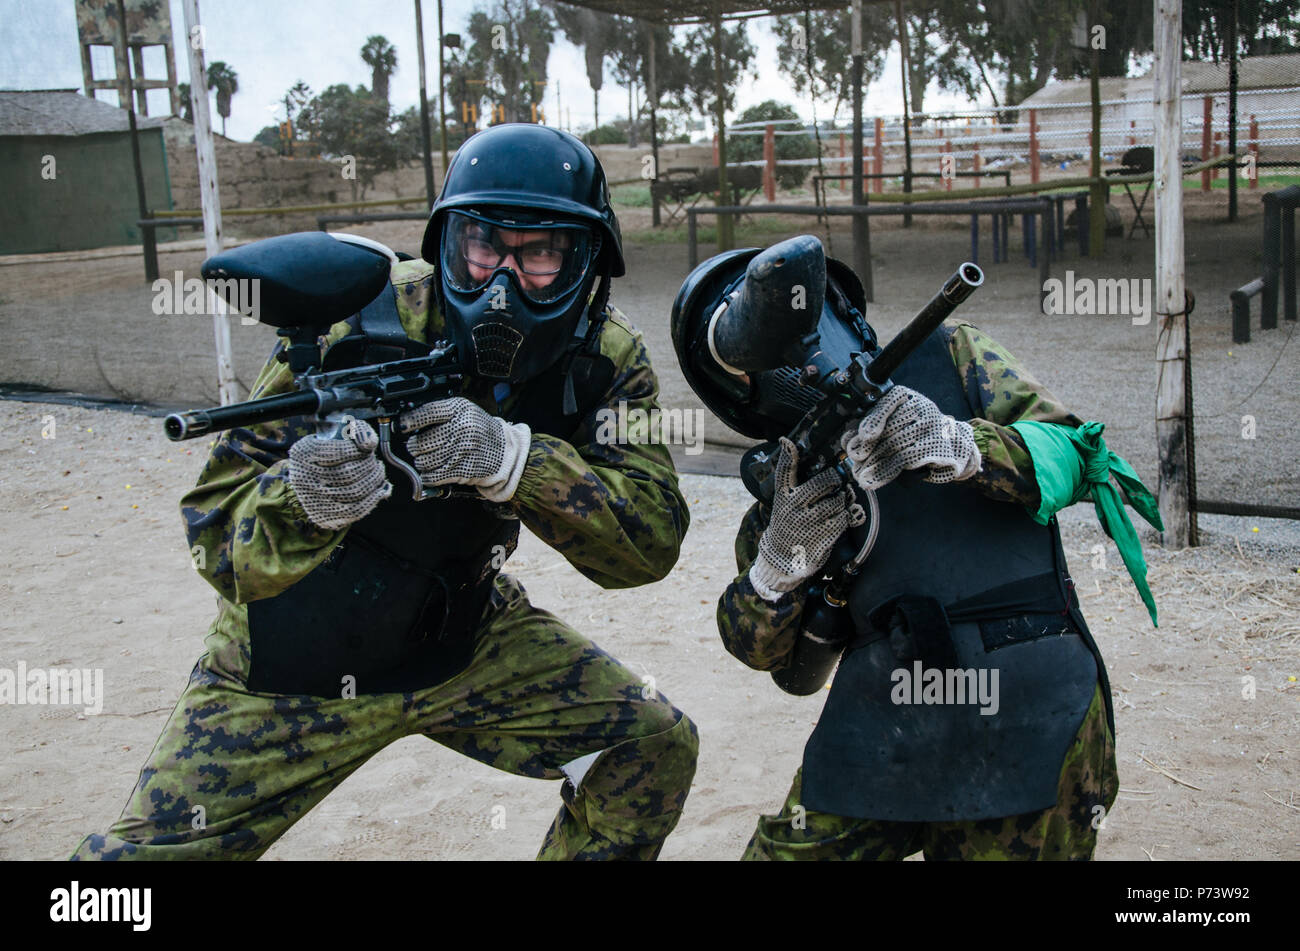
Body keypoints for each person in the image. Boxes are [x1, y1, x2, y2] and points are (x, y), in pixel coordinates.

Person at [72, 124, 697, 861]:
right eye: (483, 246)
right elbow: (216, 535)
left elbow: (650, 542)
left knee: (652, 745)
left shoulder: (601, 356)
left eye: (540, 253)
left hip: (461, 638)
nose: (503, 278)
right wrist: (301, 497)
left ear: (586, 262)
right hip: (290, 663)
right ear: (448, 242)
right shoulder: (357, 321)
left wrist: (515, 460)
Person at [671, 239, 1162, 861]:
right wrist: (777, 567)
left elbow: (1077, 454)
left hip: (1030, 685)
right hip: (886, 709)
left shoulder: (951, 356)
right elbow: (770, 659)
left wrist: (961, 446)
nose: (798, 367)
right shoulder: (784, 490)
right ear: (735, 393)